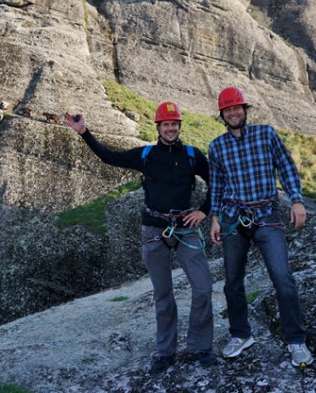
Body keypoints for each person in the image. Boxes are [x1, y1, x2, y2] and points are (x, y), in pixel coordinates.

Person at [64, 102, 214, 374]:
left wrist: (204, 212)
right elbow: (109, 157)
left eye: (174, 124)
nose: (170, 128)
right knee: (163, 294)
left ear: (179, 127)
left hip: (185, 227)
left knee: (203, 287)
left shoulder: (193, 156)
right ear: (158, 127)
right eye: (166, 124)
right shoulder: (146, 155)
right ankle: (165, 352)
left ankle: (200, 347)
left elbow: (217, 182)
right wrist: (84, 132)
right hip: (154, 229)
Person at [208, 87, 314, 367]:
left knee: (282, 277)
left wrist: (296, 200)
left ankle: (296, 340)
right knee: (232, 281)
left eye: (237, 108)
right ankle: (241, 334)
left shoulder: (266, 134)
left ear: (245, 110)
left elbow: (287, 167)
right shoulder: (216, 146)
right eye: (227, 109)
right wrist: (216, 218)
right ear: (222, 114)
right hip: (233, 217)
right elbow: (217, 186)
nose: (233, 112)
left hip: (266, 214)